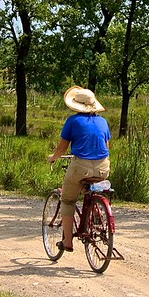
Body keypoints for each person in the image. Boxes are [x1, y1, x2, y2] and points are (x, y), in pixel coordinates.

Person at [48, 85, 112, 252]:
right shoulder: (103, 121)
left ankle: (67, 241)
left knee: (68, 200)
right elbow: (106, 146)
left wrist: (53, 158)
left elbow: (61, 149)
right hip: (103, 167)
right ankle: (96, 210)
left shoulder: (73, 121)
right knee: (90, 188)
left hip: (80, 166)